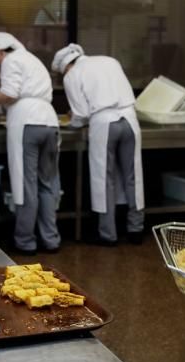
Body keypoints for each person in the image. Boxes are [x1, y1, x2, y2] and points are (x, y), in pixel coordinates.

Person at [52, 43, 144, 245]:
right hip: (130, 119)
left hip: (104, 123)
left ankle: (108, 234)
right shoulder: (110, 60)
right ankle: (136, 229)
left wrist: (71, 122)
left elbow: (81, 114)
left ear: (66, 66)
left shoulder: (72, 75)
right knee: (133, 176)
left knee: (104, 178)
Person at [0, 32, 61, 255]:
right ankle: (51, 239)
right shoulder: (32, 59)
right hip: (49, 121)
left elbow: (10, 93)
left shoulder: (11, 60)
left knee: (26, 184)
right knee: (47, 184)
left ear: (0, 52)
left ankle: (25, 241)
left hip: (27, 122)